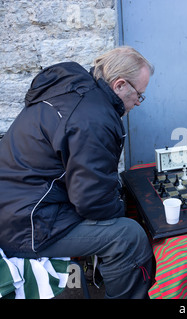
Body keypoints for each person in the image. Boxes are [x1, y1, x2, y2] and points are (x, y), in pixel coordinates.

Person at [0, 46, 154, 299]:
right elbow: (92, 202)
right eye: (139, 95)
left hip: (16, 205)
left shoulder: (74, 89)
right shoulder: (92, 118)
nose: (138, 102)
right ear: (120, 85)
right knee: (128, 236)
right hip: (24, 225)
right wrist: (120, 211)